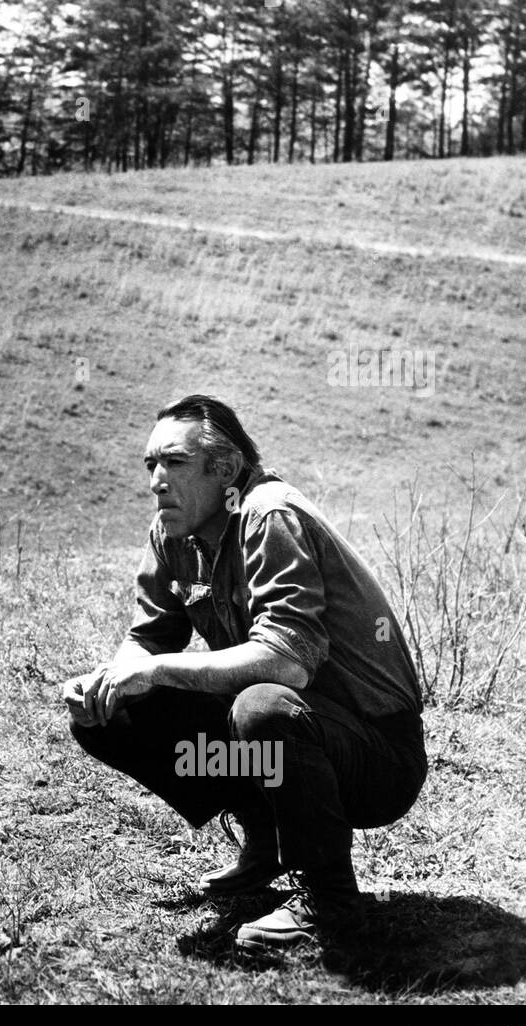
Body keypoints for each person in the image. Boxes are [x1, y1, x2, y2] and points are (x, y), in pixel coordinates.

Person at [63, 394, 427, 951]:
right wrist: (111, 681)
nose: (157, 481)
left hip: (376, 757)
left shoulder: (268, 514)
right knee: (112, 711)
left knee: (261, 707)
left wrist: (159, 669)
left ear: (226, 469)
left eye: (175, 463)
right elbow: (147, 639)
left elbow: (287, 660)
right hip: (292, 734)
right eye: (150, 465)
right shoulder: (173, 531)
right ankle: (268, 841)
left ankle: (330, 902)